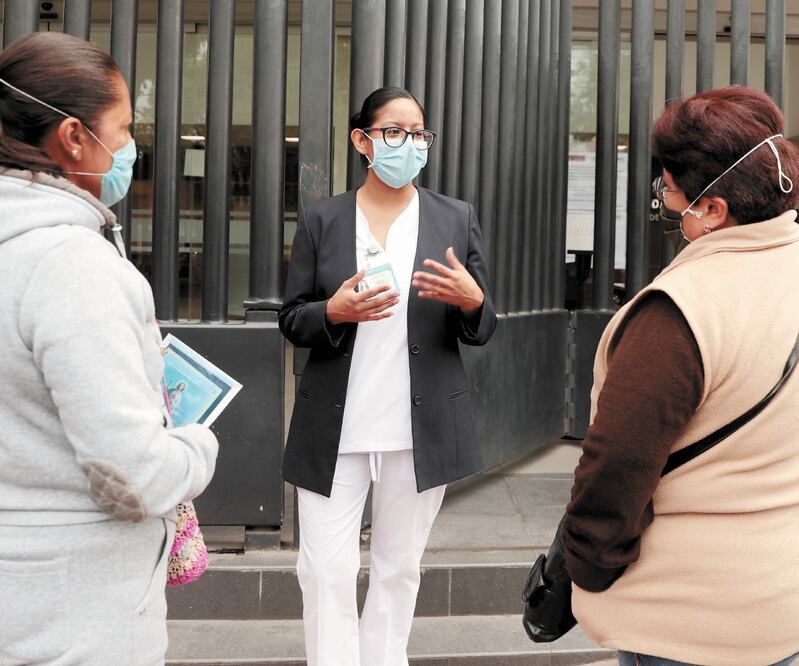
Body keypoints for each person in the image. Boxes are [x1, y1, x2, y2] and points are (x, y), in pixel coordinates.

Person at [556, 87, 799, 665]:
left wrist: (587, 568)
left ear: (712, 209)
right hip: (785, 601)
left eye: (669, 190)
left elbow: (615, 466)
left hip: (686, 621)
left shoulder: (679, 310)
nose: (664, 200)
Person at [0, 33, 218, 664]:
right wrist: (198, 444)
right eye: (122, 130)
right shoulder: (72, 266)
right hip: (71, 617)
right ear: (73, 137)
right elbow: (135, 478)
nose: (129, 149)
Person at [279, 86, 496, 666]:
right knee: (324, 571)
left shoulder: (455, 217)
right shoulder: (324, 219)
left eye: (418, 133)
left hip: (419, 427)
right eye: (394, 131)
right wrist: (332, 312)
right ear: (363, 140)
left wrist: (474, 303)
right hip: (337, 428)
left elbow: (482, 324)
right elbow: (292, 318)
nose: (409, 143)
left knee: (399, 569)